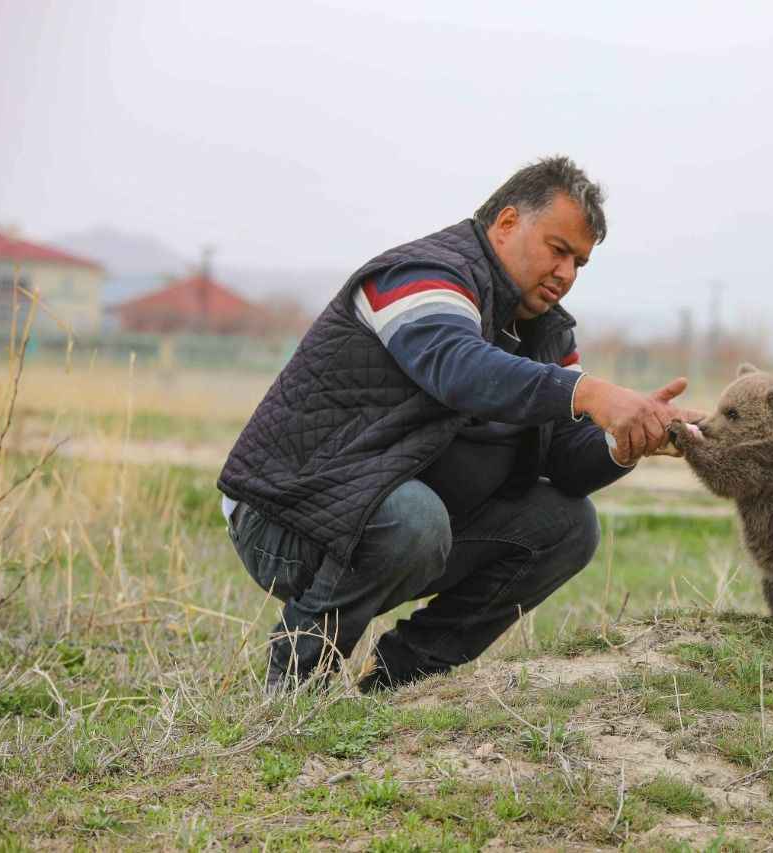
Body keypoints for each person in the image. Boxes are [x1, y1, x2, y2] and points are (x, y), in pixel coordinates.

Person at [217, 156, 694, 691]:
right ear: (507, 222)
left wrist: (625, 440)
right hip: (287, 520)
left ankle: (399, 683)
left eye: (579, 263)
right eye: (558, 250)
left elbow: (564, 458)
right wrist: (589, 392)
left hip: (398, 525)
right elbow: (457, 367)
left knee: (568, 525)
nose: (566, 274)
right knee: (414, 519)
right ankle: (296, 680)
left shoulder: (546, 332)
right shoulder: (422, 274)